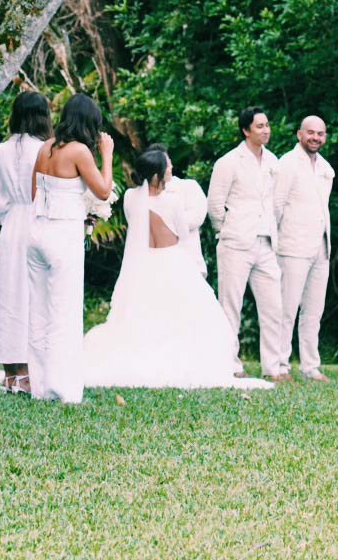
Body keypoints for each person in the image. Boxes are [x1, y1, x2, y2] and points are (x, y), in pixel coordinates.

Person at [84, 146, 273, 389]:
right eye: (168, 167)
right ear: (156, 176)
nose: (171, 169)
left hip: (143, 264)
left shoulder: (131, 198)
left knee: (146, 316)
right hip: (171, 260)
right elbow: (182, 235)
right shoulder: (172, 201)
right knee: (183, 316)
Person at [28, 93, 113, 405]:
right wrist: (108, 154)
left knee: (38, 310)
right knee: (64, 311)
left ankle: (39, 386)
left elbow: (33, 191)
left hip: (36, 231)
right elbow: (103, 191)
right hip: (62, 233)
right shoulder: (79, 151)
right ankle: (63, 389)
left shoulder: (45, 147)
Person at [0, 90, 53, 394]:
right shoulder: (47, 149)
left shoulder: (0, 150)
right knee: (32, 294)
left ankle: (11, 372)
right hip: (36, 221)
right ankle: (25, 372)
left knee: (9, 294)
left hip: (11, 225)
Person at [207, 107, 287, 380]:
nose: (266, 130)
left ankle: (273, 367)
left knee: (274, 306)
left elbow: (276, 203)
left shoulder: (274, 161)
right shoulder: (229, 162)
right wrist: (228, 230)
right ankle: (231, 363)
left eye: (267, 125)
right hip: (235, 242)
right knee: (231, 305)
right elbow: (215, 205)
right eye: (259, 126)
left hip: (266, 242)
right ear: (246, 130)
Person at [274, 115, 335, 381]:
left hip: (321, 247)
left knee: (314, 310)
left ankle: (310, 365)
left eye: (320, 134)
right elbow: (276, 205)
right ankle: (280, 363)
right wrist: (276, 244)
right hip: (292, 245)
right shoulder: (287, 163)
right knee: (287, 308)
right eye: (310, 132)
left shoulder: (326, 167)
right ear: (299, 134)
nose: (315, 138)